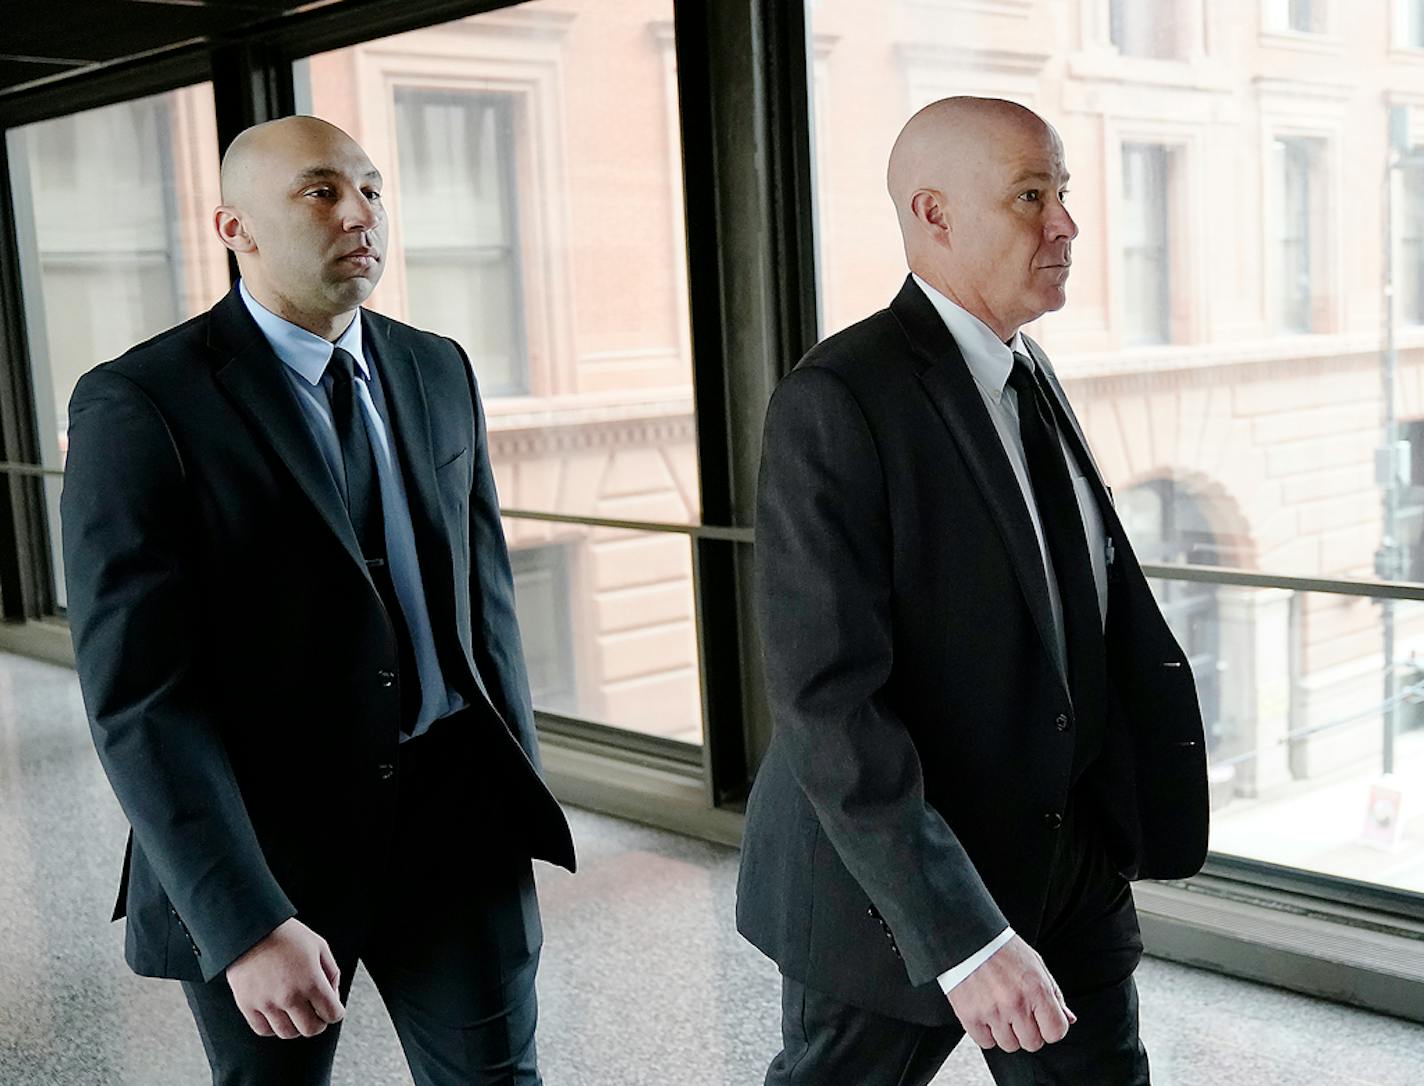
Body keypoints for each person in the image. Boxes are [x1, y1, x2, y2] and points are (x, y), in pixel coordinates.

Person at [61, 115, 574, 1086]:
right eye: (321, 190)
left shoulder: (437, 367)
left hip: (456, 825)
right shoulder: (141, 404)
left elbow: (487, 609)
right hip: (267, 848)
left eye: (373, 189)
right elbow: (139, 696)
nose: (360, 213)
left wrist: (511, 797)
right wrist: (241, 919)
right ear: (234, 227)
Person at [735, 96, 1209, 1085]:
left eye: (1063, 193)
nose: (1065, 225)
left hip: (1062, 859)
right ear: (934, 214)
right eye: (1029, 196)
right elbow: (828, 701)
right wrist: (958, 934)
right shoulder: (839, 398)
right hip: (897, 887)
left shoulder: (1026, 368)